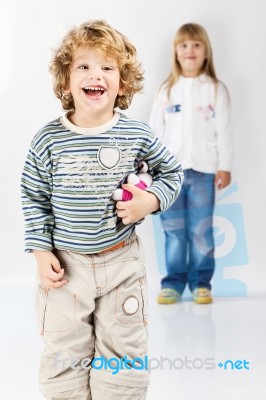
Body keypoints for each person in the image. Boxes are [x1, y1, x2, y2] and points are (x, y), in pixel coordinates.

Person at [21, 20, 183, 399]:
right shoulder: (48, 139)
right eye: (84, 66)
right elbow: (33, 196)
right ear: (66, 81)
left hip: (121, 263)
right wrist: (41, 251)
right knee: (64, 352)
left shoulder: (137, 134)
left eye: (108, 68)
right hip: (65, 267)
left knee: (124, 352)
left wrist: (152, 199)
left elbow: (172, 172)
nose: (96, 74)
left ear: (123, 83)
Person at [149, 23, 233, 305]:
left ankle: (201, 283)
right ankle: (173, 283)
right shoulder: (167, 90)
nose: (190, 50)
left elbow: (224, 130)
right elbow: (154, 133)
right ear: (175, 52)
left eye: (196, 45)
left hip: (204, 172)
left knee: (201, 230)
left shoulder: (215, 90)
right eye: (183, 45)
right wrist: (150, 168)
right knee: (173, 230)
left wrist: (225, 165)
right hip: (169, 175)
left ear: (206, 51)